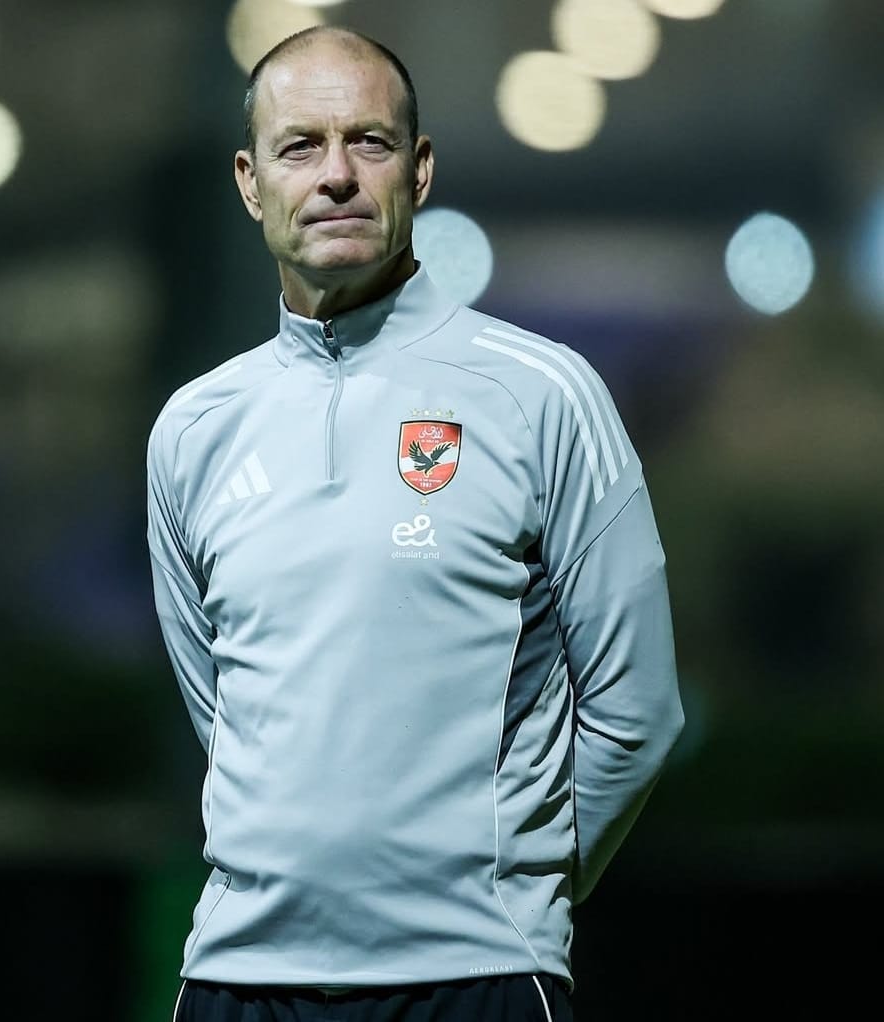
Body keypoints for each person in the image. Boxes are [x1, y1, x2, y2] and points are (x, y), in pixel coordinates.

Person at [146, 24, 684, 1022]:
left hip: (477, 975)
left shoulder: (541, 394)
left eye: (370, 141)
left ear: (419, 168)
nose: (336, 175)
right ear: (250, 182)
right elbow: (223, 719)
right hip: (237, 980)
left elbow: (635, 711)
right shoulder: (193, 428)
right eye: (299, 146)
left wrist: (511, 896)